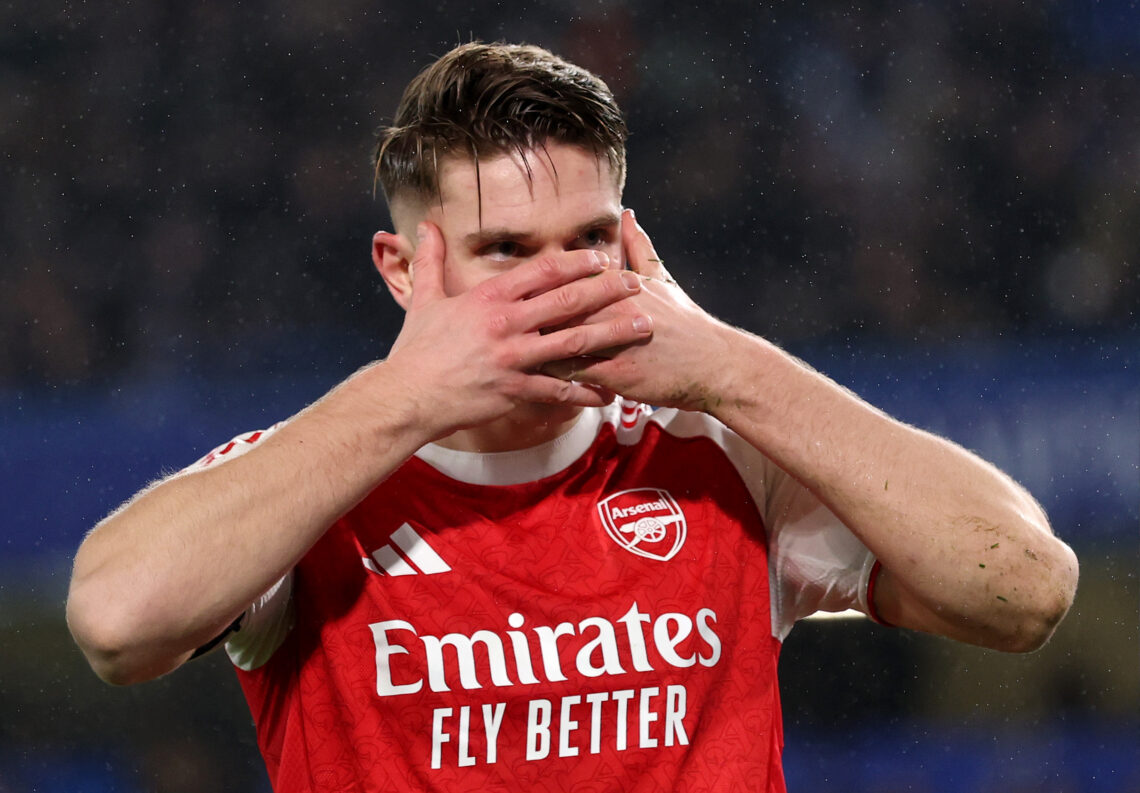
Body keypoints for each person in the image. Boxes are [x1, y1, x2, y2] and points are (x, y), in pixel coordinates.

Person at [66, 42, 1079, 792]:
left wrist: (728, 366)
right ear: (403, 270)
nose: (561, 284)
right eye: (508, 249)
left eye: (588, 239)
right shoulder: (313, 482)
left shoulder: (721, 454)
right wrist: (406, 395)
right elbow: (117, 623)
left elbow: (1024, 588)